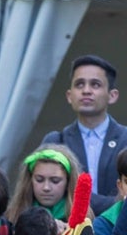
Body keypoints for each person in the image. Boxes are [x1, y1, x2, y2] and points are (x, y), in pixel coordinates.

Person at [42, 54, 126, 216]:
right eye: (79, 84)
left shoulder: (125, 139)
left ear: (112, 95)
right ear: (69, 96)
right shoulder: (56, 142)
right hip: (66, 233)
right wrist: (114, 202)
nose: (86, 91)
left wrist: (77, 198)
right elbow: (41, 195)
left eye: (95, 84)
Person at [7, 145, 84, 225]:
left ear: (68, 182)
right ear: (30, 180)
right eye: (39, 180)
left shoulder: (84, 221)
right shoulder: (11, 217)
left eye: (55, 181)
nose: (46, 187)